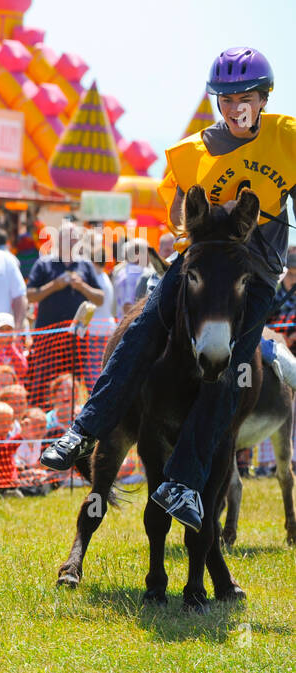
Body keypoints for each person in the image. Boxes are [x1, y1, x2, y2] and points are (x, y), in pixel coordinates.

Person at [43, 47, 296, 530]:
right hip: (200, 264)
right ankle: (84, 429)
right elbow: (179, 205)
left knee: (231, 372)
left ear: (264, 98)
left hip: (256, 277)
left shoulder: (289, 138)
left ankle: (182, 480)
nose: (235, 107)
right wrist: (193, 235)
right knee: (138, 332)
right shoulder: (193, 150)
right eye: (225, 98)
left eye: (244, 96)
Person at [23, 223, 104, 406]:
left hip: (76, 337)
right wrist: (54, 285)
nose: (70, 241)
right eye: (66, 237)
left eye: (73, 237)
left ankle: (71, 420)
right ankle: (41, 418)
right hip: (48, 338)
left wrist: (82, 286)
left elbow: (100, 298)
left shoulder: (85, 265)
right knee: (44, 381)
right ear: (58, 240)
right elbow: (30, 295)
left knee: (74, 381)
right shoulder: (44, 263)